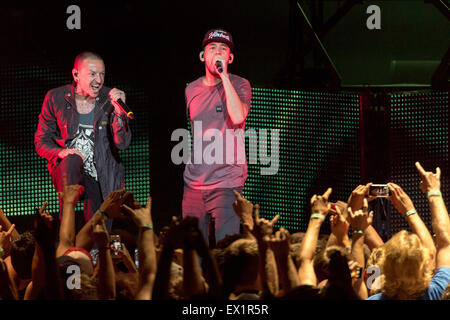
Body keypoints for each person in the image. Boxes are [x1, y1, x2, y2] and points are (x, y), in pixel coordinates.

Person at [34, 51, 131, 228]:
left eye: (102, 74)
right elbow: (41, 141)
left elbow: (122, 143)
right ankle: (67, 230)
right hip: (70, 173)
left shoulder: (110, 98)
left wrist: (119, 114)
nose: (99, 80)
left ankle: (96, 250)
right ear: (76, 75)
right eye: (92, 74)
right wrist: (60, 152)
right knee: (72, 159)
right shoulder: (56, 97)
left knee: (97, 236)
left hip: (101, 174)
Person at [182, 28, 251, 245]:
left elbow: (238, 116)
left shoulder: (240, 84)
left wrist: (223, 76)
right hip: (194, 183)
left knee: (226, 250)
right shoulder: (191, 89)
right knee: (193, 254)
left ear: (230, 58)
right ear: (203, 56)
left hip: (227, 181)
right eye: (212, 48)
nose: (218, 52)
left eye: (223, 48)